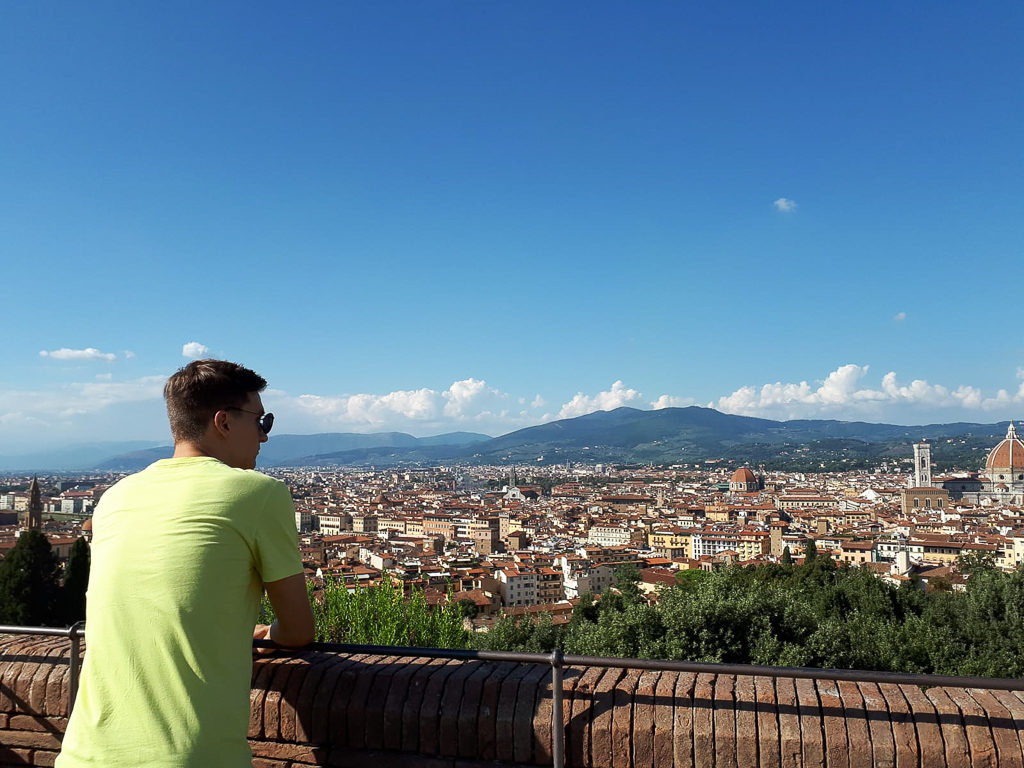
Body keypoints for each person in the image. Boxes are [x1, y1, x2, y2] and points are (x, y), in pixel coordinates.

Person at [56, 359, 315, 768]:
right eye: (261, 421)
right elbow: (299, 631)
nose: (264, 437)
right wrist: (266, 632)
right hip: (190, 757)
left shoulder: (115, 498)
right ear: (224, 422)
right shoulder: (259, 494)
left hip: (81, 754)